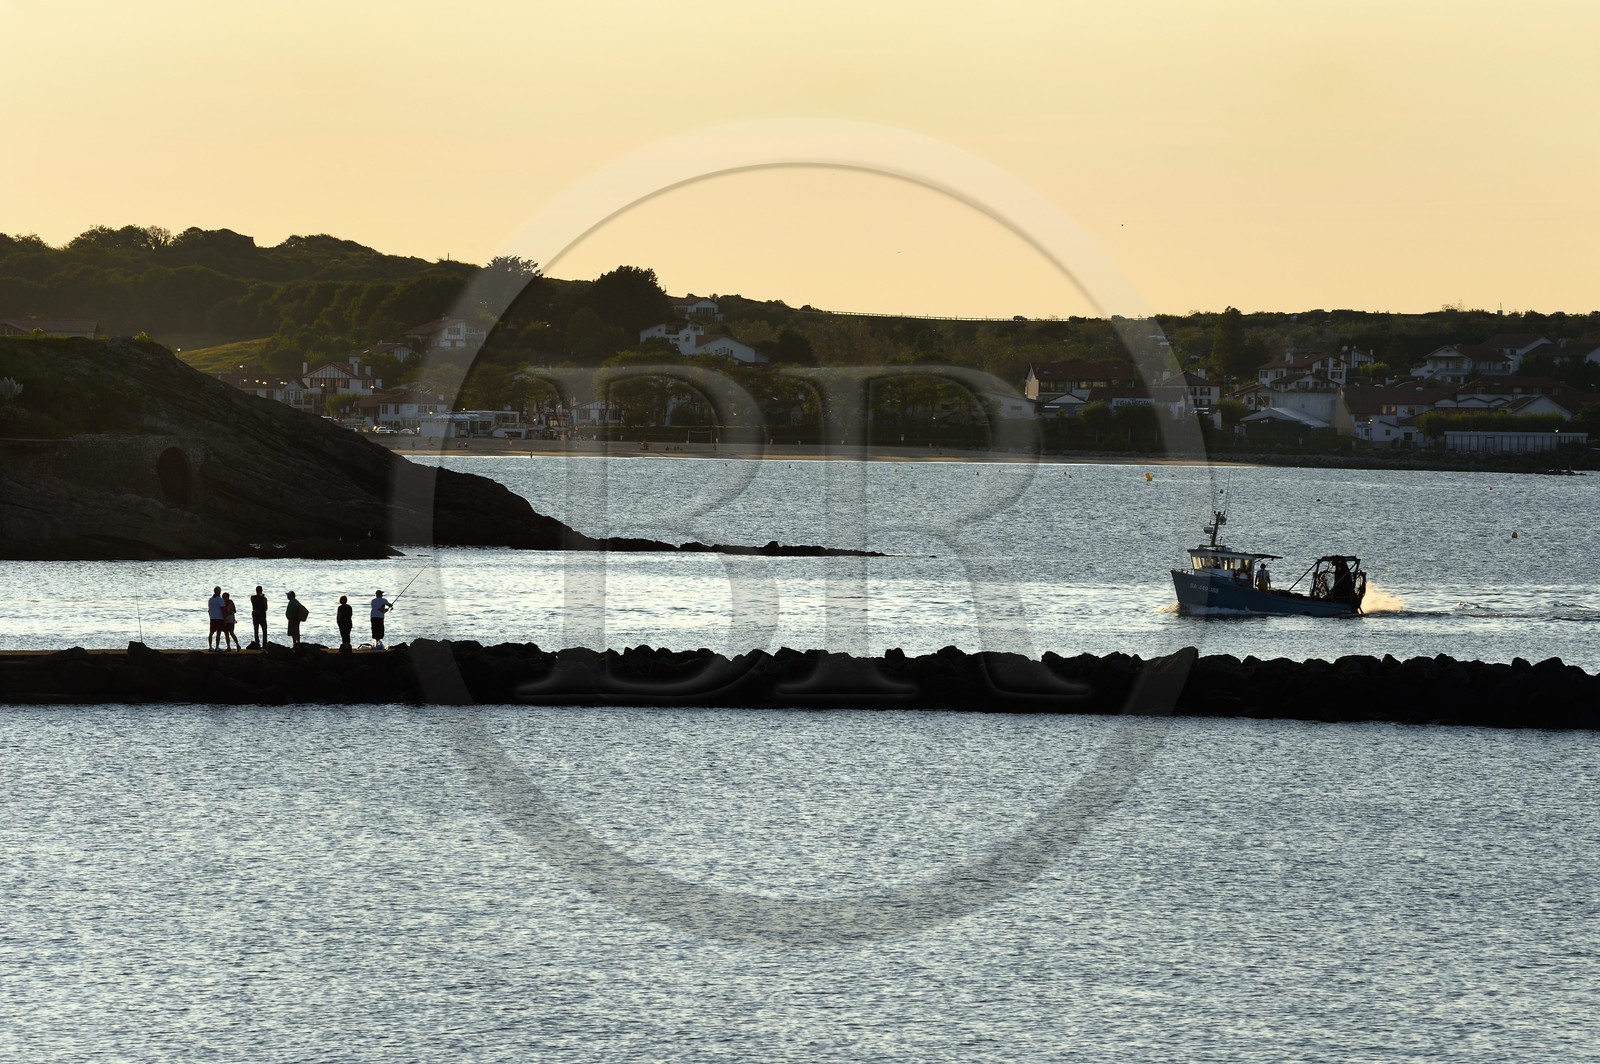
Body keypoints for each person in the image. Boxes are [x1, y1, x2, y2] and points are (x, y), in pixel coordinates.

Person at [207, 586, 224, 651]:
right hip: (219, 618)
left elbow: (209, 610)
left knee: (211, 633)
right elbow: (222, 610)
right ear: (219, 592)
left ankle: (210, 646)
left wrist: (210, 616)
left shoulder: (210, 600)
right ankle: (217, 647)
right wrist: (225, 618)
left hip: (212, 618)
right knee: (218, 633)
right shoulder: (220, 600)